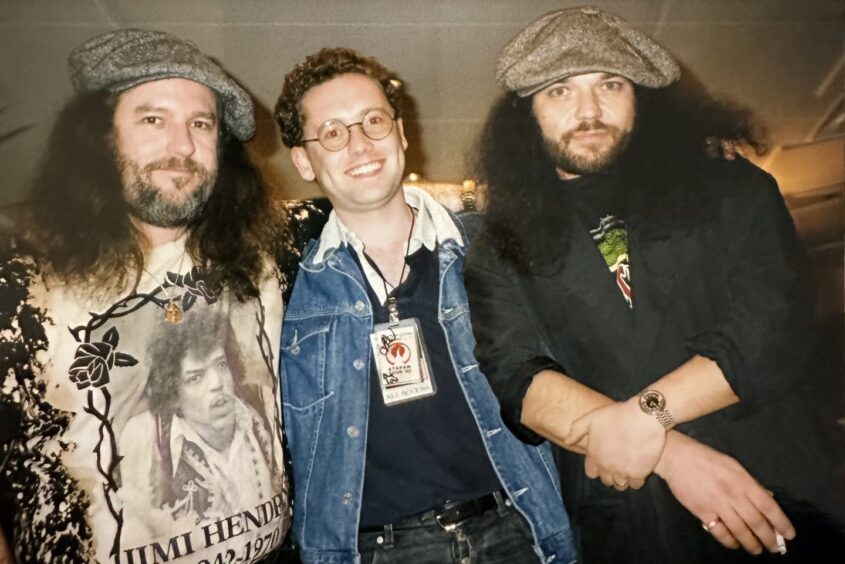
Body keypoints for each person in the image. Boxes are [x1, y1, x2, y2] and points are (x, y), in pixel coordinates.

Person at [464, 6, 845, 564]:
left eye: (610, 84)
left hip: (773, 497)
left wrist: (644, 418)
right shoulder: (499, 245)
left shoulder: (731, 189)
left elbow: (770, 327)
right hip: (628, 520)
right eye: (559, 91)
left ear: (641, 96)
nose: (588, 110)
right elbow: (519, 382)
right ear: (527, 116)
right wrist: (670, 451)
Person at [275, 47, 577, 564]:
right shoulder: (283, 280)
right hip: (374, 550)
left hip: (517, 531)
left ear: (401, 133)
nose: (360, 143)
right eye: (332, 132)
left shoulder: (494, 247)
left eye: (373, 121)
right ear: (304, 160)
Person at [0, 29, 290, 563]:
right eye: (153, 119)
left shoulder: (263, 265)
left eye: (200, 124)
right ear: (103, 138)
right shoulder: (20, 294)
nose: (181, 146)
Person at [119, 312, 280, 541]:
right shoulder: (144, 440)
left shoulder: (263, 406)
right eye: (196, 378)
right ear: (173, 395)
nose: (217, 383)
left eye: (221, 365)